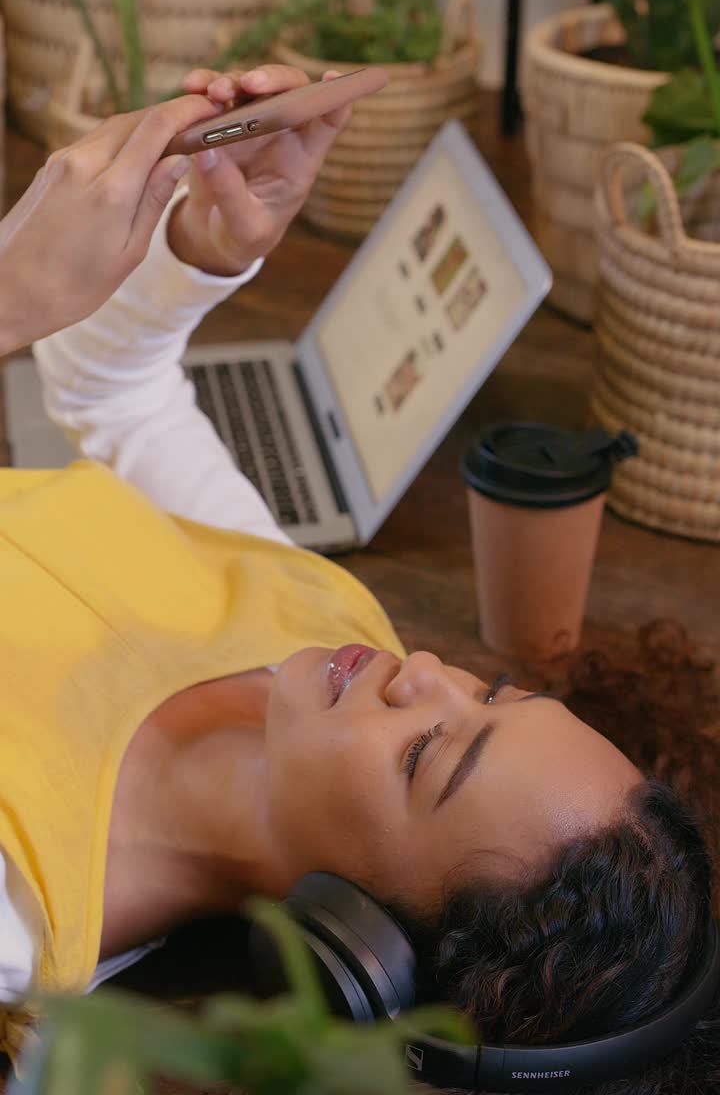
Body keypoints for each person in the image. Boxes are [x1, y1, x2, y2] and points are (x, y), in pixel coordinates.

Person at [0, 64, 717, 1094]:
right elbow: (116, 395)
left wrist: (10, 292)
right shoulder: (324, 629)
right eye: (488, 692)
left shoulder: (27, 902)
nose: (421, 669)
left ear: (357, 941)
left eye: (429, 751)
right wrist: (198, 256)